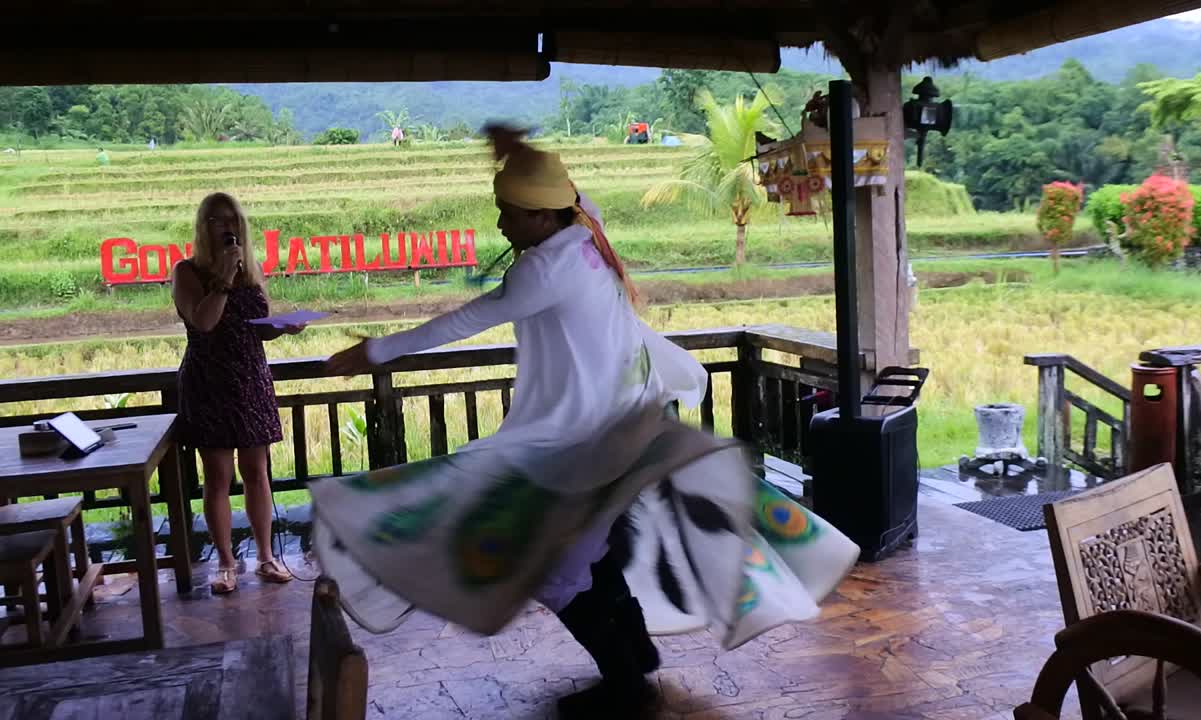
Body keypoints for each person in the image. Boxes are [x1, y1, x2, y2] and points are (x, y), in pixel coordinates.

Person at [318, 125, 859, 717]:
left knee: (559, 572)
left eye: (507, 213)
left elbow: (462, 321)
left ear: (538, 216)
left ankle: (626, 680)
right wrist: (521, 154)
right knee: (589, 556)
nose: (500, 225)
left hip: (584, 444)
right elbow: (574, 192)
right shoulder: (584, 228)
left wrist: (374, 352)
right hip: (622, 427)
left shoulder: (544, 269)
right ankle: (634, 658)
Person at [171, 192, 308, 594]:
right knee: (217, 476)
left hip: (250, 379)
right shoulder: (187, 272)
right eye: (217, 219)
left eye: (233, 219)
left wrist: (282, 325)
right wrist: (225, 279)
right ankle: (227, 563)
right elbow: (205, 323)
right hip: (209, 383)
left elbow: (257, 325)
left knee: (256, 471)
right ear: (203, 226)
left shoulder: (249, 269)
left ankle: (266, 557)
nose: (228, 226)